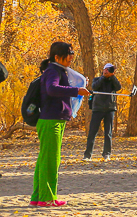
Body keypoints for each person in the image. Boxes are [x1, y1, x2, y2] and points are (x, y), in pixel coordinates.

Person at [31, 41, 90, 208]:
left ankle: (38, 196)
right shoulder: (53, 71)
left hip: (53, 120)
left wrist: (78, 86)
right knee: (50, 160)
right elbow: (52, 89)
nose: (71, 57)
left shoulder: (57, 70)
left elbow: (59, 88)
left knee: (45, 159)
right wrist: (75, 91)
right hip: (51, 121)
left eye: (72, 54)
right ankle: (47, 198)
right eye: (68, 54)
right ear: (57, 57)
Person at [84, 63, 122, 161]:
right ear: (103, 69)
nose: (107, 71)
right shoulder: (97, 79)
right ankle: (88, 155)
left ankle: (107, 154)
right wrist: (103, 77)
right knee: (92, 132)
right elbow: (95, 87)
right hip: (98, 109)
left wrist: (112, 76)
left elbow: (118, 87)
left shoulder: (113, 81)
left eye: (109, 70)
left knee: (108, 133)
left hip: (110, 109)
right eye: (106, 69)